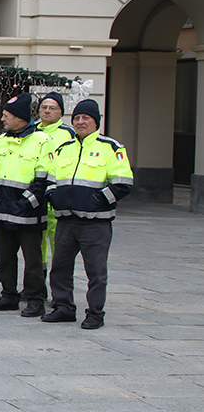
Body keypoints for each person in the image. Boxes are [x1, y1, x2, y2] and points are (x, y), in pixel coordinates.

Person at [42, 99, 133, 330]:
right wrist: (54, 197)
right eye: (77, 118)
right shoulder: (63, 149)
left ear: (96, 122)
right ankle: (63, 307)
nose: (80, 122)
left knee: (96, 271)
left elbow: (123, 183)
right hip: (65, 221)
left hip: (95, 224)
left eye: (86, 118)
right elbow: (51, 179)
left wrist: (97, 201)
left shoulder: (111, 147)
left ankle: (95, 313)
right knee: (60, 268)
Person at [0, 92, 54, 317]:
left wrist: (24, 204)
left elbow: (45, 180)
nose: (2, 119)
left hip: (29, 214)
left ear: (21, 118)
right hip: (2, 212)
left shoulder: (42, 141)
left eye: (6, 116)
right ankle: (9, 296)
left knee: (33, 259)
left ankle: (35, 299)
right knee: (5, 257)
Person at [37, 91, 76, 263]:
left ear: (61, 113)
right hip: (36, 195)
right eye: (44, 107)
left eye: (52, 108)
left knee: (58, 243)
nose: (47, 111)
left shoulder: (67, 133)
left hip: (56, 196)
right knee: (37, 244)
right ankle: (39, 282)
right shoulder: (32, 131)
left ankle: (58, 284)